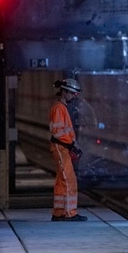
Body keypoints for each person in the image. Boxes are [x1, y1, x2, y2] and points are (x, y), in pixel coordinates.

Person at [49, 78, 87, 222]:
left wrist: (71, 144)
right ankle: (70, 213)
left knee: (61, 180)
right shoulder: (59, 108)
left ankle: (58, 212)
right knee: (68, 180)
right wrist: (70, 144)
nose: (73, 96)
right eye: (71, 93)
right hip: (61, 148)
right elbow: (58, 132)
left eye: (75, 94)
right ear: (64, 92)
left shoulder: (61, 107)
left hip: (62, 148)